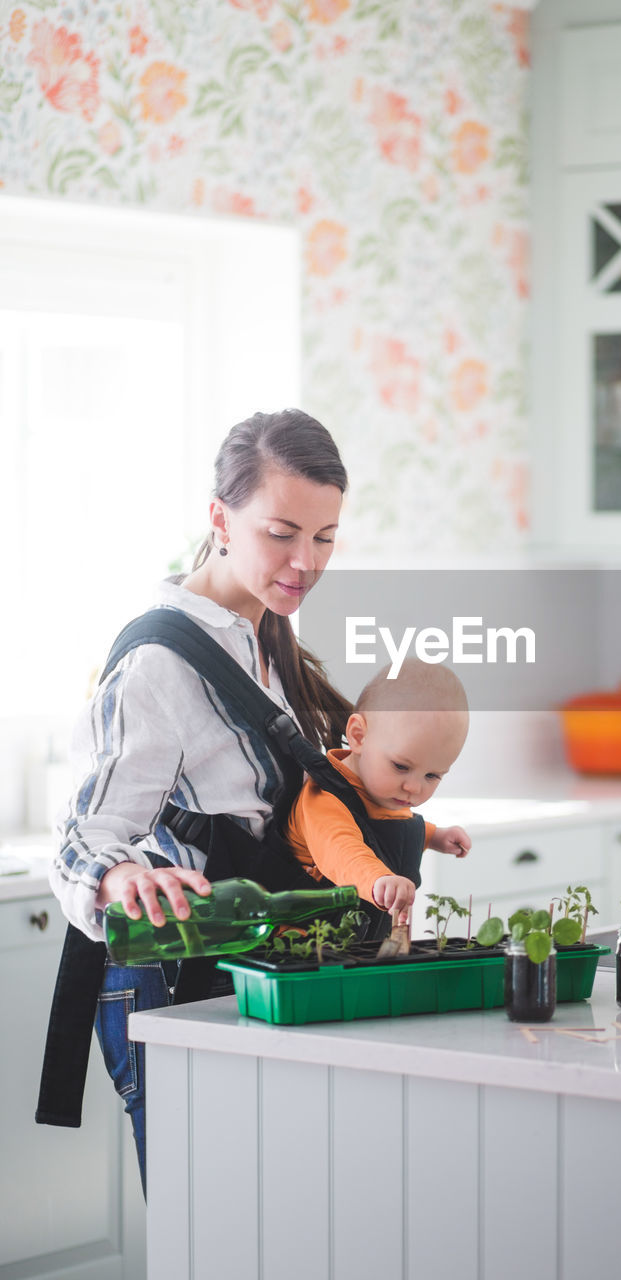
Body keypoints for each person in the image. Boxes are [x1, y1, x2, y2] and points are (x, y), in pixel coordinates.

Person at [46, 409, 351, 1193]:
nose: (304, 561)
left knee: (273, 1216)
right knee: (210, 1221)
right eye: (282, 532)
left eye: (323, 537)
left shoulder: (262, 629)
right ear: (219, 517)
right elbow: (84, 839)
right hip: (173, 970)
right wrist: (116, 879)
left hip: (250, 961)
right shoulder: (159, 663)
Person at [287, 658, 472, 923]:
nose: (413, 787)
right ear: (359, 736)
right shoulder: (324, 799)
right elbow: (343, 852)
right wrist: (378, 879)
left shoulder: (385, 793)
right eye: (400, 766)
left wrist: (434, 837)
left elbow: (389, 829)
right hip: (305, 941)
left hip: (356, 940)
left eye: (432, 775)